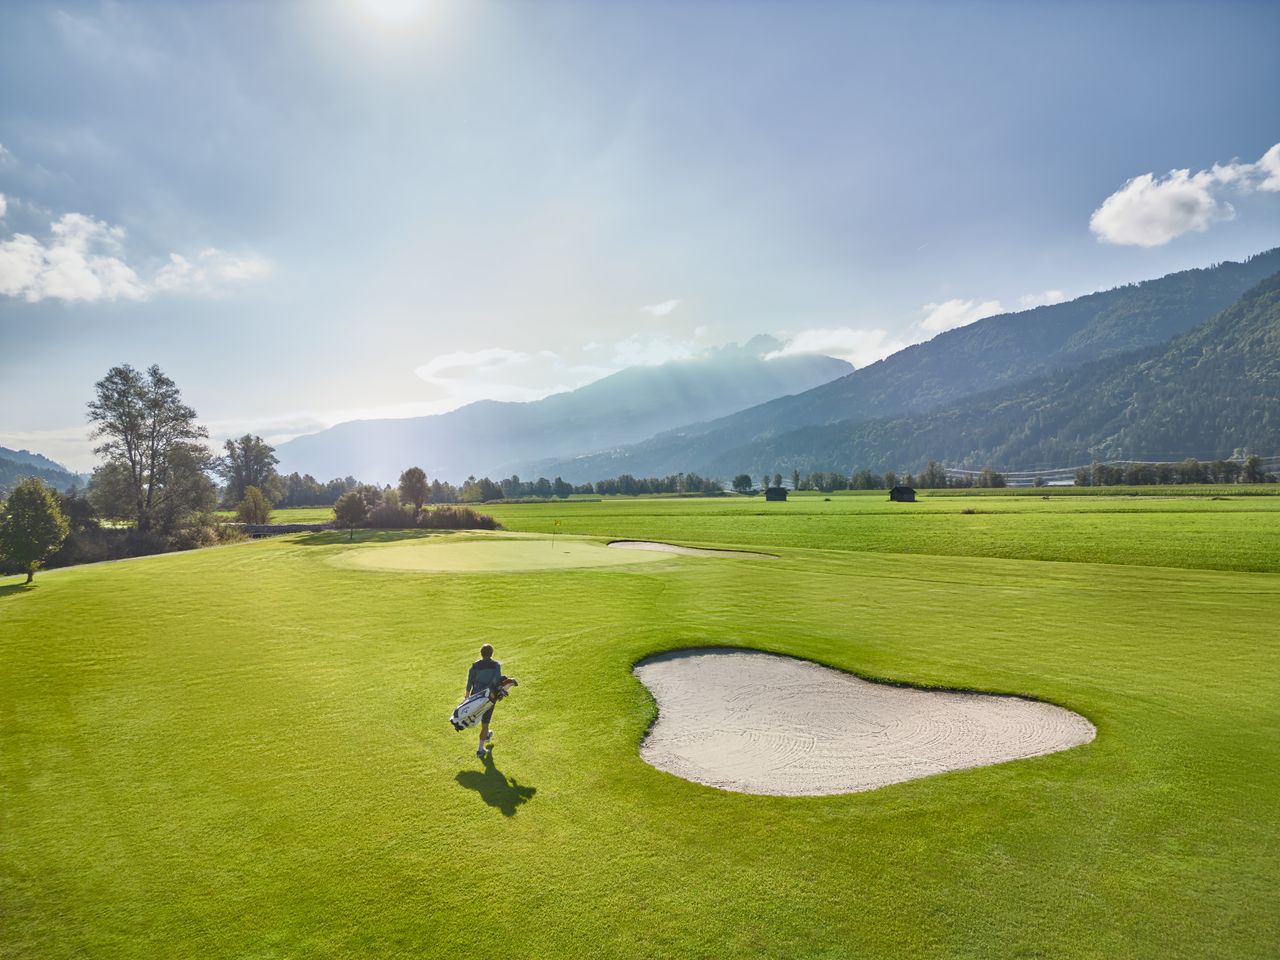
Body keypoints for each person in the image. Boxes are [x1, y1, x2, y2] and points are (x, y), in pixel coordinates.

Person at [465, 643, 503, 759]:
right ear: (492, 654)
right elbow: (497, 680)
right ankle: (480, 749)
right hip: (489, 697)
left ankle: (486, 735)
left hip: (475, 697)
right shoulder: (496, 665)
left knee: (483, 721)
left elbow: (469, 682)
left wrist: (466, 697)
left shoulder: (474, 666)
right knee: (485, 723)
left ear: (481, 654)